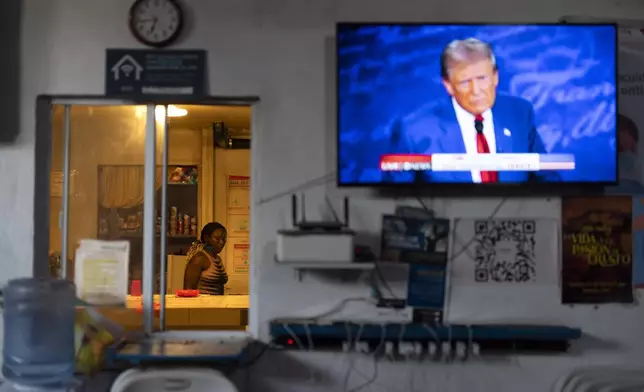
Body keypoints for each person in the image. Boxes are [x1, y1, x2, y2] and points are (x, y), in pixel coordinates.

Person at [390, 38, 558, 183]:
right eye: (465, 82)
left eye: (482, 79)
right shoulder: (413, 130)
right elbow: (396, 198)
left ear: (495, 77)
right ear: (448, 85)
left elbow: (546, 176)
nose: (476, 90)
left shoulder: (519, 112)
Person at [183, 222, 228, 295]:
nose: (221, 242)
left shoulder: (218, 258)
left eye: (224, 239)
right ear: (206, 238)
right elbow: (188, 291)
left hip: (218, 305)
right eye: (217, 238)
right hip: (203, 305)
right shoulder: (199, 259)